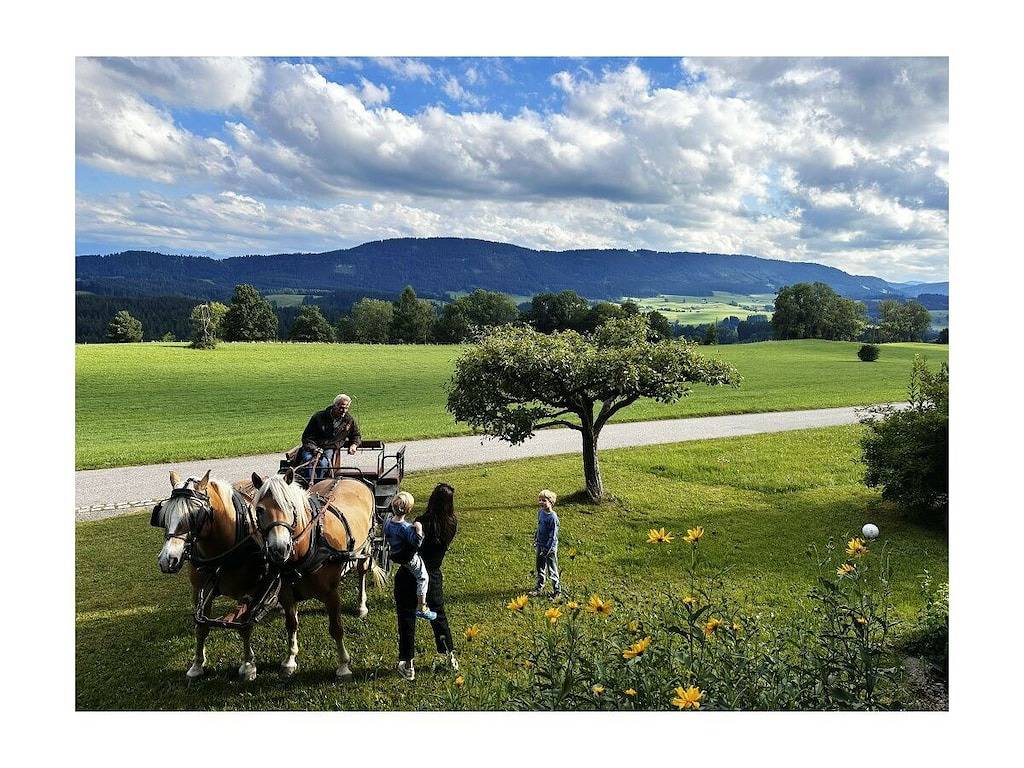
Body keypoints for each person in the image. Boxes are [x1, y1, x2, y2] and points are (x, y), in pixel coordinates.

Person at [394, 483, 458, 681]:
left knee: (406, 619)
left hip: (410, 576)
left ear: (432, 499)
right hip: (434, 575)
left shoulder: (421, 522)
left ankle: (408, 664)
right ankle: (449, 656)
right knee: (438, 616)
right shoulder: (452, 523)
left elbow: (410, 549)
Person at [385, 491, 437, 625]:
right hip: (408, 558)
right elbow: (417, 543)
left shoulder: (388, 522)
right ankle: (422, 607)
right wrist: (419, 530)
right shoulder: (406, 528)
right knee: (423, 577)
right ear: (409, 510)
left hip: (395, 554)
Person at [298, 394, 361, 484]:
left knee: (323, 464)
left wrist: (354, 445)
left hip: (329, 447)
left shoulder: (349, 420)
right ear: (334, 405)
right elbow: (307, 437)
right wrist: (314, 449)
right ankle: (308, 484)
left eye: (346, 408)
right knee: (309, 461)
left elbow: (356, 435)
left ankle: (319, 484)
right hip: (311, 447)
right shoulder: (318, 417)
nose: (344, 411)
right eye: (341, 408)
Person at [529, 489, 561, 599]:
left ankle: (557, 590)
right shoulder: (541, 513)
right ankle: (539, 586)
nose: (541, 502)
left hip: (549, 548)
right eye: (540, 500)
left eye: (544, 500)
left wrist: (547, 549)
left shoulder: (553, 518)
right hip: (540, 544)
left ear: (551, 502)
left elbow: (553, 536)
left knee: (552, 569)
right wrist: (536, 539)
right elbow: (539, 527)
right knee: (540, 567)